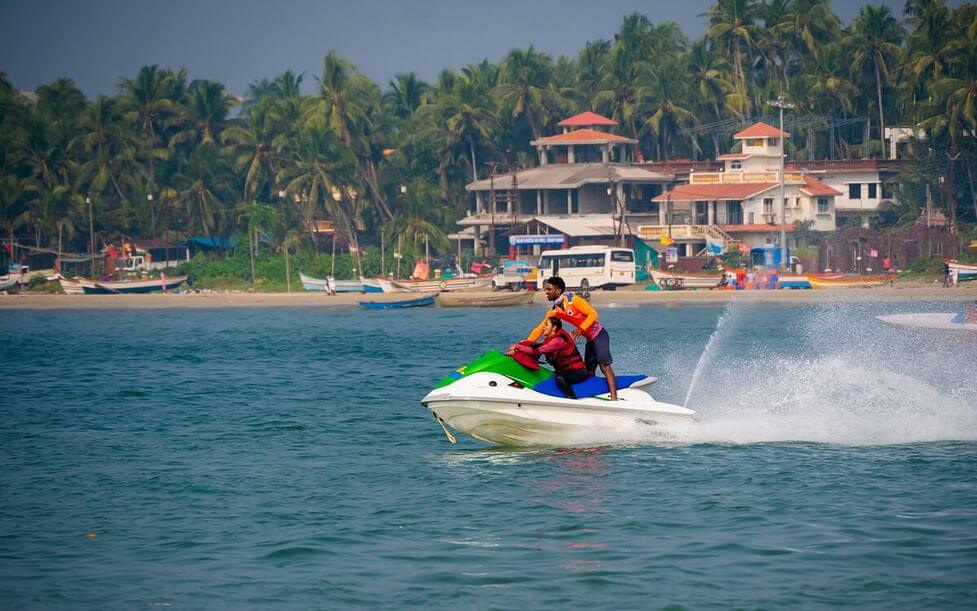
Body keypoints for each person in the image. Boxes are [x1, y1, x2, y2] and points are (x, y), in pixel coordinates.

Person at [527, 276, 618, 400]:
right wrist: (526, 343)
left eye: (549, 289)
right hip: (590, 339)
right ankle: (592, 395)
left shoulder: (573, 300)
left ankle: (614, 398)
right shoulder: (555, 310)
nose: (546, 292)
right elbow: (539, 329)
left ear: (558, 291)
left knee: (604, 366)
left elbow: (593, 314)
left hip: (599, 334)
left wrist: (580, 329)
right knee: (589, 371)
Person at [508, 317, 588, 398]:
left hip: (578, 372)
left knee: (560, 378)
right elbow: (534, 348)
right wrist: (516, 351)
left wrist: (518, 346)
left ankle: (571, 399)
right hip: (565, 371)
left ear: (554, 327)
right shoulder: (549, 340)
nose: (543, 327)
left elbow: (538, 350)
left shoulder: (558, 340)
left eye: (546, 325)